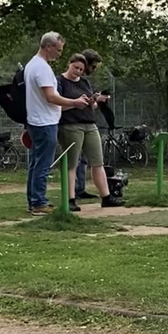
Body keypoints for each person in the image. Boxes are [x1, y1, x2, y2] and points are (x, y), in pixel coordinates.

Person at [24, 32, 89, 216]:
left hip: (36, 120)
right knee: (43, 164)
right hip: (45, 122)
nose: (60, 54)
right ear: (48, 47)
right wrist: (74, 102)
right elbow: (51, 97)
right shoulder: (42, 68)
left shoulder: (32, 65)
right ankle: (39, 202)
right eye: (58, 50)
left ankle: (33, 200)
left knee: (36, 162)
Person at [57, 53, 113, 211]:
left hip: (90, 124)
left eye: (81, 69)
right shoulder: (60, 82)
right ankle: (70, 199)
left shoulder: (84, 82)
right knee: (71, 164)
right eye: (75, 67)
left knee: (97, 161)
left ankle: (106, 196)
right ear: (69, 64)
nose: (78, 71)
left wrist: (92, 102)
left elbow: (92, 105)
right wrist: (75, 103)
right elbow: (55, 105)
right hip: (71, 125)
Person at [74, 49, 108, 200]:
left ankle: (80, 188)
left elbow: (89, 103)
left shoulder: (85, 82)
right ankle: (73, 191)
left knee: (86, 159)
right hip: (74, 124)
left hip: (87, 123)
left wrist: (95, 99)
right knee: (75, 160)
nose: (93, 70)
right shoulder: (72, 80)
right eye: (92, 66)